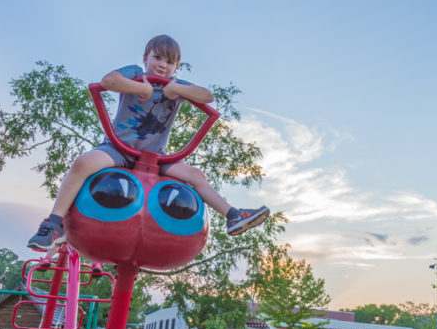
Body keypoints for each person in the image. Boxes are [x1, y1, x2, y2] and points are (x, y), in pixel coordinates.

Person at [28, 34, 269, 250]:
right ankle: (54, 223)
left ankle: (233, 215)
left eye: (170, 62)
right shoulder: (135, 72)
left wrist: (176, 89)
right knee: (83, 163)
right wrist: (139, 89)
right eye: (158, 58)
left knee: (196, 175)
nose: (163, 66)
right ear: (146, 57)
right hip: (118, 149)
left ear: (176, 67)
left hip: (156, 156)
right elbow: (109, 81)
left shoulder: (176, 85)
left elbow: (207, 96)